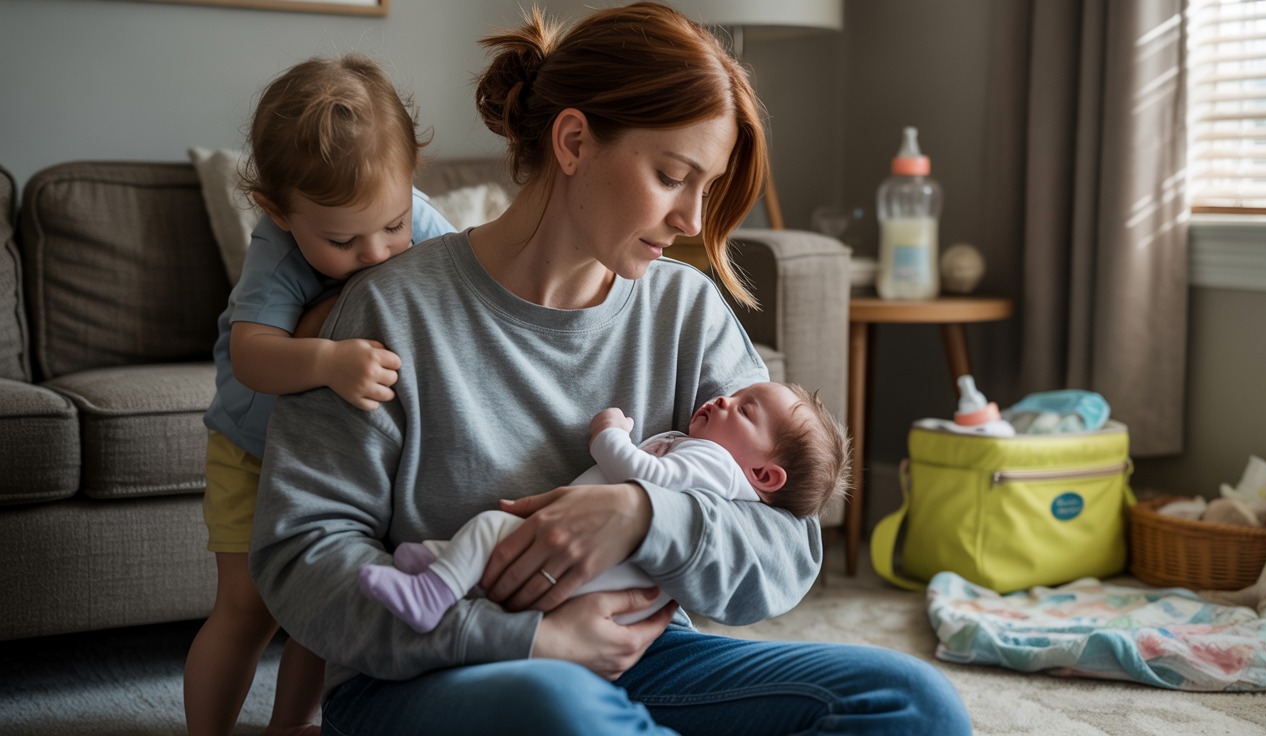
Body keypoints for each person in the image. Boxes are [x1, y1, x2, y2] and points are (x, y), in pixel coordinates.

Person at [249, 4, 973, 735]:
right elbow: (301, 559)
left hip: (644, 661)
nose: (694, 219)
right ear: (573, 141)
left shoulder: (686, 311)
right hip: (431, 673)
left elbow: (789, 547)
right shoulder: (390, 310)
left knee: (914, 702)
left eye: (706, 186)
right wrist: (525, 639)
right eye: (672, 175)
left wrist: (643, 515)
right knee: (562, 708)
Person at [183, 54, 456, 736]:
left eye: (392, 225)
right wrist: (329, 360)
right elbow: (251, 356)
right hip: (254, 451)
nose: (377, 253)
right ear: (278, 209)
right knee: (246, 610)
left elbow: (468, 274)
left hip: (336, 458)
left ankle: (293, 726)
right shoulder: (275, 247)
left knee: (321, 612)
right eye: (342, 239)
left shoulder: (417, 220)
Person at [357, 381, 850, 632]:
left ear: (764, 476)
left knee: (492, 526)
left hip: (605, 571)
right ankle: (447, 568)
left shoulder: (718, 463)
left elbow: (647, 478)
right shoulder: (722, 458)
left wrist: (609, 434)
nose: (723, 398)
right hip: (614, 592)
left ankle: (435, 591)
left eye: (744, 409)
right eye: (735, 395)